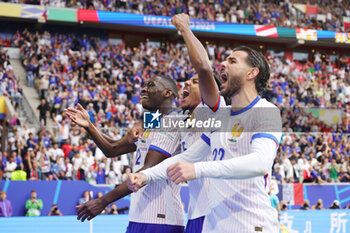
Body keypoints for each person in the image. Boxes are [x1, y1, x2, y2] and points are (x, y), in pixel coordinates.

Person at [128, 14, 282, 233]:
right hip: (213, 224)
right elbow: (188, 156)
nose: (223, 63)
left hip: (251, 225)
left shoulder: (266, 111)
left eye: (232, 61)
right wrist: (146, 175)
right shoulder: (218, 117)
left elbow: (260, 163)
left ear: (252, 73)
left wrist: (198, 170)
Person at [65, 75, 185, 233]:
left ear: (167, 93)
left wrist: (103, 201)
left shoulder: (174, 121)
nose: (143, 89)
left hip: (160, 219)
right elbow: (112, 149)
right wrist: (89, 126)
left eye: (150, 85)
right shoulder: (153, 121)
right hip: (139, 216)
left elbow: (147, 170)